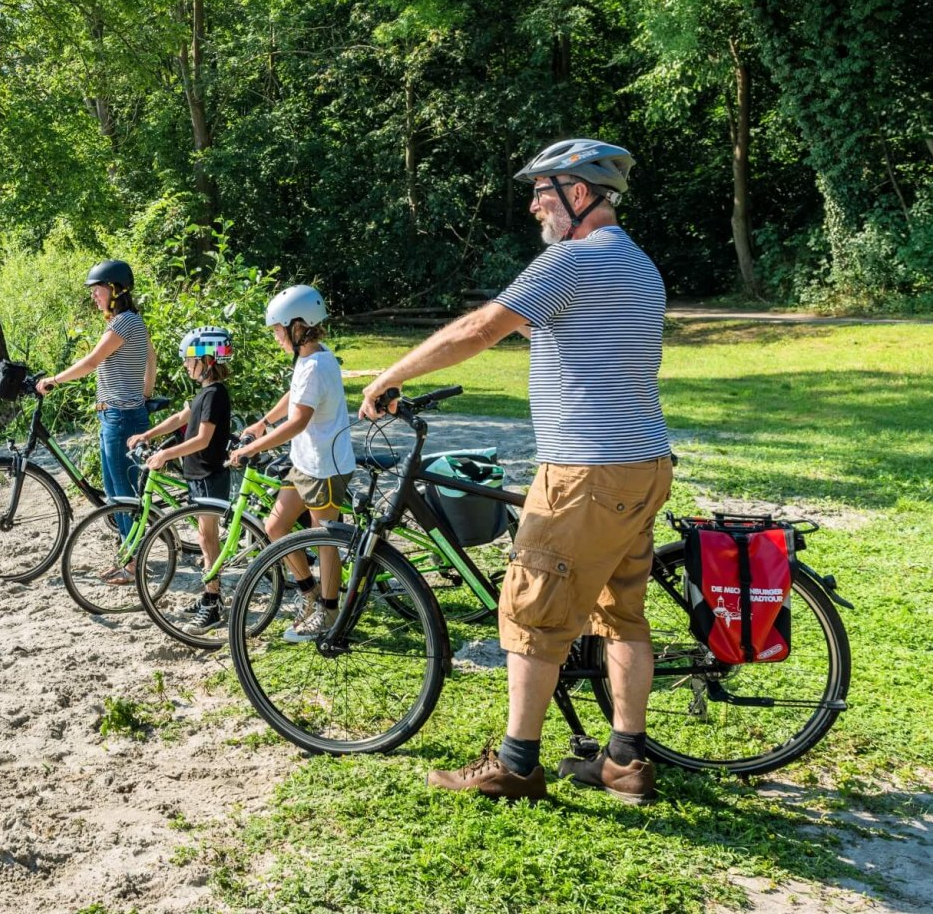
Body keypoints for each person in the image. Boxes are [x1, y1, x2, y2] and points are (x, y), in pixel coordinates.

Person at [358, 137, 673, 805]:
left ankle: (517, 764)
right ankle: (624, 761)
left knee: (531, 611)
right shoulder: (637, 265)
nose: (534, 206)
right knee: (622, 615)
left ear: (578, 194)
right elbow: (575, 330)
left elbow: (476, 330)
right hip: (644, 465)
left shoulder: (571, 259)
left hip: (587, 470)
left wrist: (390, 374)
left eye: (542, 191)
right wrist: (516, 321)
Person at [228, 285, 355, 642]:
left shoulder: (317, 364)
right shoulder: (309, 359)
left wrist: (251, 449)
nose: (276, 337)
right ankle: (309, 592)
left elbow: (298, 421)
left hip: (325, 467)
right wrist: (262, 423)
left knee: (324, 541)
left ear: (298, 326)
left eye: (278, 330)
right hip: (304, 463)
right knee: (275, 527)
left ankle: (330, 613)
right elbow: (292, 396)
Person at [36, 259, 157, 548]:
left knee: (123, 493)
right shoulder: (132, 321)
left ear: (114, 289)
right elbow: (151, 359)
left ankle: (133, 558)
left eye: (97, 289)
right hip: (117, 416)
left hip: (121, 417)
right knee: (116, 490)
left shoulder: (123, 322)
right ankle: (130, 548)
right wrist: (146, 395)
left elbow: (91, 362)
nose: (93, 295)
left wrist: (54, 379)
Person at [131, 326, 235, 634]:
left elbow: (203, 439)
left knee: (208, 540)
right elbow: (179, 418)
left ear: (208, 360)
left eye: (190, 360)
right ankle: (208, 595)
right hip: (198, 475)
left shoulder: (216, 395)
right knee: (204, 540)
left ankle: (214, 602)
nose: (186, 366)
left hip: (209, 475)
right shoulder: (204, 393)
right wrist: (147, 435)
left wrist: (166, 454)